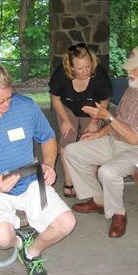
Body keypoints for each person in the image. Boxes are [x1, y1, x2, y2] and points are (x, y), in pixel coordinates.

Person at [0, 62, 76, 275]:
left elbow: (47, 138)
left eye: (9, 97)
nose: (6, 105)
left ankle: (31, 252)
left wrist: (48, 164)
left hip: (29, 182)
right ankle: (19, 241)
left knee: (66, 223)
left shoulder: (25, 106)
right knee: (1, 238)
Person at [63, 45, 138, 238]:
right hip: (118, 142)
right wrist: (100, 132)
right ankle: (99, 199)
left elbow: (135, 138)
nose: (128, 70)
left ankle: (118, 213)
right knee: (72, 151)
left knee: (108, 171)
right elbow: (120, 119)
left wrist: (107, 118)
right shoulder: (134, 87)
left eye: (133, 67)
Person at [48, 43, 112, 198]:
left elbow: (104, 102)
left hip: (92, 110)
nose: (86, 71)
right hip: (68, 108)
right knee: (68, 135)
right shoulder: (61, 74)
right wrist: (65, 120)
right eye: (80, 68)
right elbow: (55, 99)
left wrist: (93, 123)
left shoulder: (100, 76)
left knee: (91, 139)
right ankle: (69, 181)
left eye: (88, 67)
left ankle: (91, 181)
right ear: (71, 67)